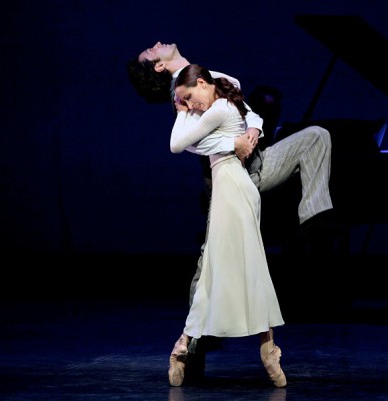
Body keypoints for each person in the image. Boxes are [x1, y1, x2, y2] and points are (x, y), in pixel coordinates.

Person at [126, 41, 336, 378]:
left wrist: (253, 128)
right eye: (150, 52)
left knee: (316, 136)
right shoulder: (183, 91)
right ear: (159, 67)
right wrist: (231, 143)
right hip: (228, 176)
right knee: (210, 266)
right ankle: (192, 349)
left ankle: (314, 217)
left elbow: (245, 109)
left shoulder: (202, 76)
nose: (156, 45)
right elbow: (191, 142)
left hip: (255, 163)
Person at [167, 63, 287, 388]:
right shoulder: (221, 102)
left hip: (233, 189)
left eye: (190, 97)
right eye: (185, 101)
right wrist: (184, 92)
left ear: (204, 83)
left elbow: (177, 145)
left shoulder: (219, 108)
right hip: (228, 189)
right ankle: (263, 349)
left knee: (244, 269)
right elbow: (199, 144)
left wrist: (180, 110)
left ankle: (265, 349)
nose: (190, 105)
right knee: (218, 272)